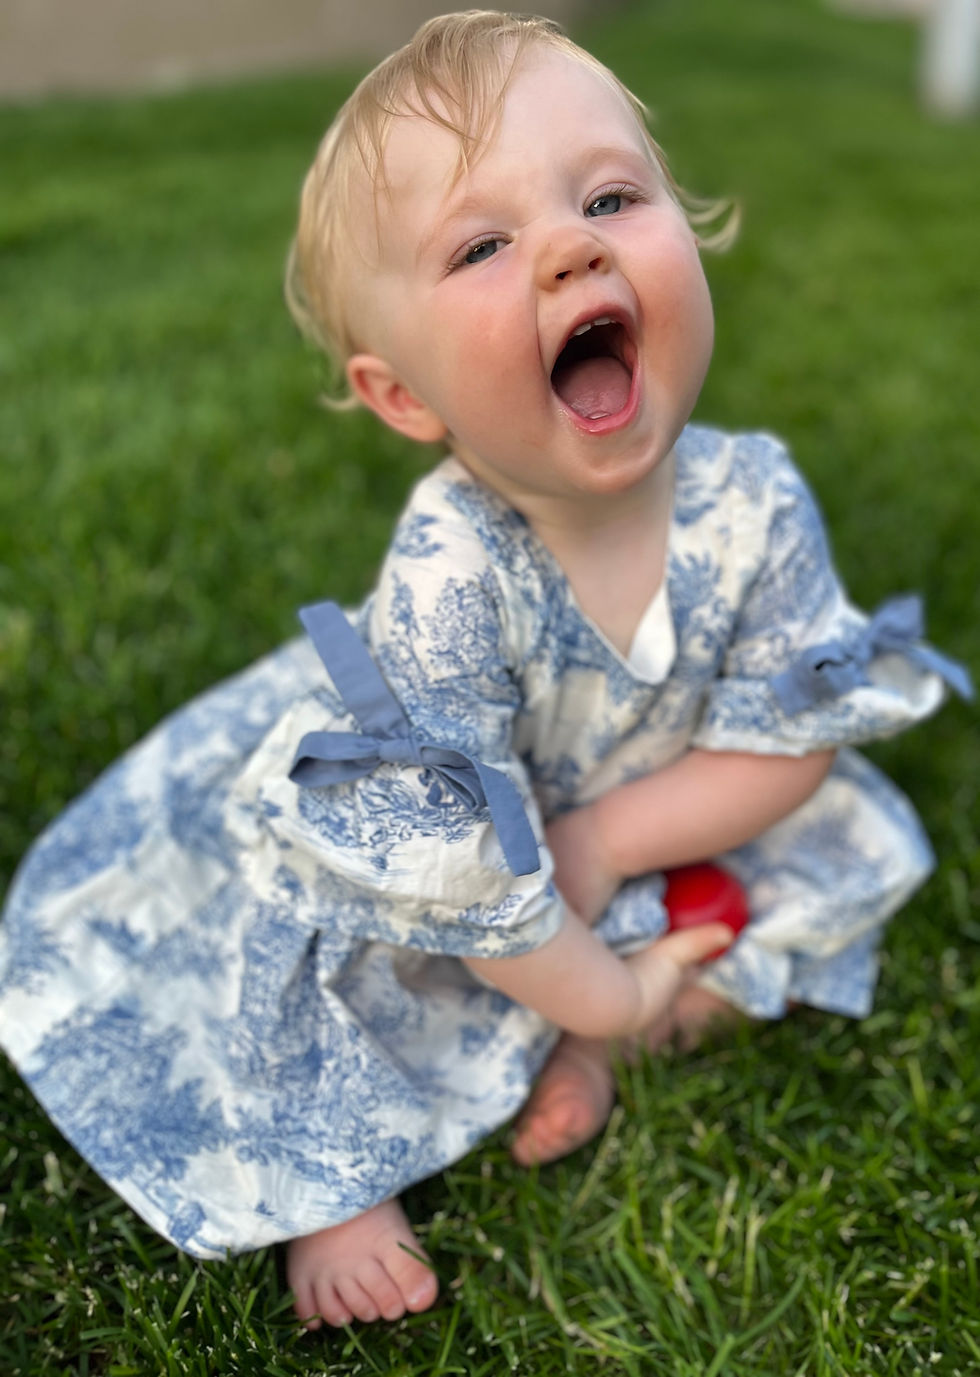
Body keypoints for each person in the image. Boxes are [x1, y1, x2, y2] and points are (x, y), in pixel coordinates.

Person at [0, 9, 971, 1335]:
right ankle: (337, 1175)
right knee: (323, 945)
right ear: (403, 396)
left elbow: (786, 736)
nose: (573, 245)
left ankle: (614, 1033)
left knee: (833, 856)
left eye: (611, 197)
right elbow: (467, 878)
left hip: (633, 810)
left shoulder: (756, 498)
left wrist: (612, 834)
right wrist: (594, 959)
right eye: (483, 244)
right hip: (451, 855)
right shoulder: (453, 567)